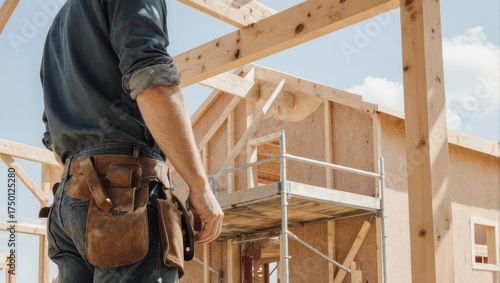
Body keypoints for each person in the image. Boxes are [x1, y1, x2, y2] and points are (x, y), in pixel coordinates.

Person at [40, 0, 223, 281]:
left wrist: (88, 175)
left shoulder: (58, 27)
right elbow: (152, 84)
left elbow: (53, 140)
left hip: (69, 200)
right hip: (127, 196)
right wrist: (200, 187)